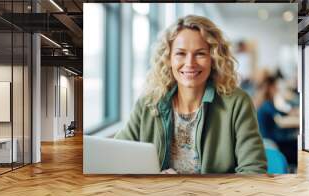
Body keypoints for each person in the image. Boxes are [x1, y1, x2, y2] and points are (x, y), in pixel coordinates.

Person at [115, 15, 267, 174]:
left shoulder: (238, 103)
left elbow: (253, 171)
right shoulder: (147, 104)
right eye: (180, 53)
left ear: (213, 59)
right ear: (168, 59)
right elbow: (117, 157)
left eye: (200, 53)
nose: (190, 63)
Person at [256, 75, 298, 172]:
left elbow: (285, 113)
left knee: (295, 141)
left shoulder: (267, 103)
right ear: (271, 88)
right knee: (297, 145)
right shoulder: (266, 104)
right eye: (276, 86)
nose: (278, 89)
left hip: (271, 140)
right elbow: (281, 121)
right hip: (271, 142)